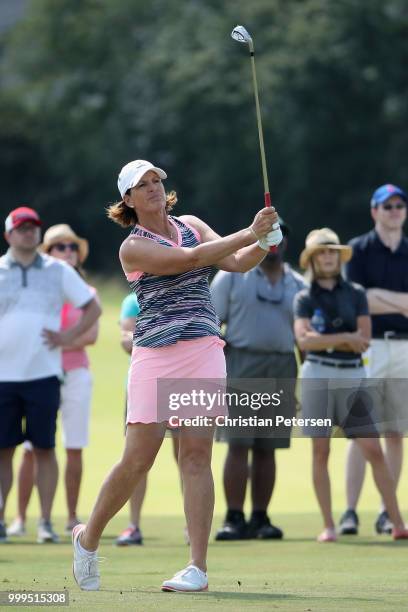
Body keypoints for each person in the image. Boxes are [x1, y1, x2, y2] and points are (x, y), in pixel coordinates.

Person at [71, 158, 283, 592]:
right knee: (138, 459)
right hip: (155, 354)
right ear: (127, 199)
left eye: (156, 181)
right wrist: (251, 231)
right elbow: (190, 259)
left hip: (203, 347)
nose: (152, 188)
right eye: (141, 185)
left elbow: (238, 262)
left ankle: (197, 568)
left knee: (196, 456)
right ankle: (88, 537)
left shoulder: (190, 222)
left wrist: (265, 243)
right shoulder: (133, 246)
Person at [293, 227, 408, 543]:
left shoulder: (355, 293)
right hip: (317, 377)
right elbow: (304, 340)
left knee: (374, 448)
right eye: (322, 253)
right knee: (321, 450)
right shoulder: (303, 297)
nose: (328, 257)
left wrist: (328, 341)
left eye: (332, 251)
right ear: (313, 260)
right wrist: (344, 338)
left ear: (338, 256)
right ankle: (329, 524)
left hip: (352, 376)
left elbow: (365, 341)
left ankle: (397, 521)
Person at [0, 207, 101, 544]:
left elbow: (92, 308)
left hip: (44, 374)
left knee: (44, 447)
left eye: (33, 228)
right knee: (4, 450)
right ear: (9, 235)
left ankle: (45, 522)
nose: (29, 233)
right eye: (22, 228)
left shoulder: (57, 271)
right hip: (3, 377)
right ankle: (2, 519)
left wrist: (68, 338)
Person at [211, 220, 306, 541]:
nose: (274, 243)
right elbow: (212, 321)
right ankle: (234, 517)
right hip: (240, 362)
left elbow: (304, 338)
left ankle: (260, 517)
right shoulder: (232, 275)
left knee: (269, 446)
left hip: (282, 366)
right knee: (238, 443)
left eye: (279, 237)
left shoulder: (298, 284)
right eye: (267, 236)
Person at [339, 184, 408, 536]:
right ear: (375, 211)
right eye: (388, 206)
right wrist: (401, 301)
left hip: (404, 348)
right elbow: (358, 300)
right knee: (362, 431)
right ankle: (350, 511)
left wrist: (383, 297)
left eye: (399, 205)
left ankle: (387, 511)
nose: (395, 211)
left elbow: (374, 298)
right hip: (370, 347)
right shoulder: (359, 250)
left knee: (396, 432)